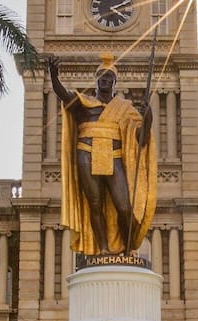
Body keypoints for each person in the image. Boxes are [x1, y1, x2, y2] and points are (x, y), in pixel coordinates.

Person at [48, 54, 158, 256]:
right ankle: (103, 248)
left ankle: (127, 249)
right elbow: (64, 95)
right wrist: (54, 78)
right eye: (102, 76)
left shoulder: (124, 109)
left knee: (124, 207)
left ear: (115, 83)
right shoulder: (84, 103)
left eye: (109, 77)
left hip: (113, 156)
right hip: (86, 154)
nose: (105, 79)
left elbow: (141, 139)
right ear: (96, 80)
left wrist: (148, 118)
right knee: (95, 204)